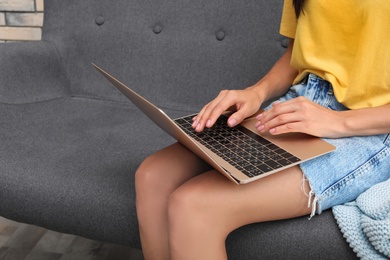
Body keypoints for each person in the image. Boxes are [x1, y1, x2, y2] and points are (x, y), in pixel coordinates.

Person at [135, 0, 390, 259]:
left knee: (193, 206)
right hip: (302, 103)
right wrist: (257, 92)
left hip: (371, 127)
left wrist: (335, 122)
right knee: (153, 175)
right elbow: (299, 52)